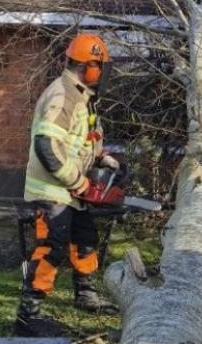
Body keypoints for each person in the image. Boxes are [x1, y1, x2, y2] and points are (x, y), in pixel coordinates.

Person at [15, 32, 121, 337]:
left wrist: (103, 158)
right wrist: (79, 182)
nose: (102, 75)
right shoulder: (62, 95)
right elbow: (47, 145)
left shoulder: (83, 97)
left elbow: (81, 139)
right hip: (52, 190)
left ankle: (85, 294)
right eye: (100, 68)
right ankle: (27, 316)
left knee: (85, 238)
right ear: (89, 66)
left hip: (71, 190)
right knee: (52, 247)